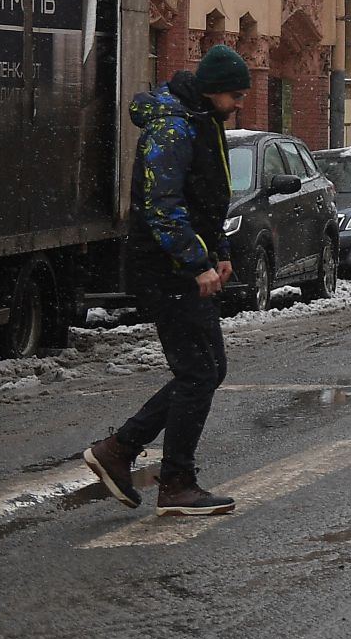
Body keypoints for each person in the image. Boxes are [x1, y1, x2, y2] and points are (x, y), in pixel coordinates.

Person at [84, 44, 250, 517]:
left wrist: (218, 252)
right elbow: (162, 207)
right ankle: (174, 481)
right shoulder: (174, 126)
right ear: (214, 90)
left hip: (182, 266)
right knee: (198, 373)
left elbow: (206, 199)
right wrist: (194, 261)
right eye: (235, 95)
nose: (239, 104)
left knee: (208, 370)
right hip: (165, 269)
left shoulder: (202, 121)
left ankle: (121, 449)